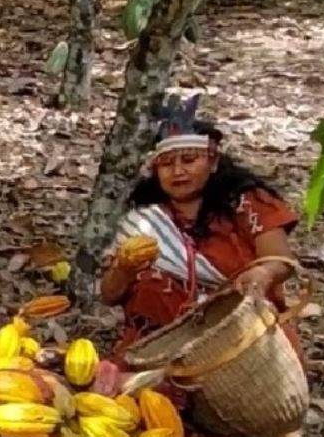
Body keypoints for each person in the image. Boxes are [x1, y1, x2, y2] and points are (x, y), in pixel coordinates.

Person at [102, 95, 300, 350]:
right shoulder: (146, 222)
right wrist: (124, 269)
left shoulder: (247, 204)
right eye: (166, 164)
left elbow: (282, 261)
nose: (177, 172)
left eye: (188, 160)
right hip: (164, 343)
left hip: (245, 336)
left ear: (213, 162)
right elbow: (108, 295)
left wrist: (263, 273)